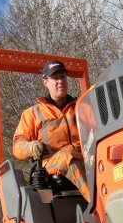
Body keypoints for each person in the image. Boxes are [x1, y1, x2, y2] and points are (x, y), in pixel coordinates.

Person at [12, 60, 89, 199]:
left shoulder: (81, 107)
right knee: (69, 156)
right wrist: (30, 146)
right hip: (51, 164)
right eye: (55, 78)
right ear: (45, 82)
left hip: (82, 157)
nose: (60, 81)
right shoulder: (33, 113)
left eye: (63, 77)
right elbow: (17, 145)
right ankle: (98, 207)